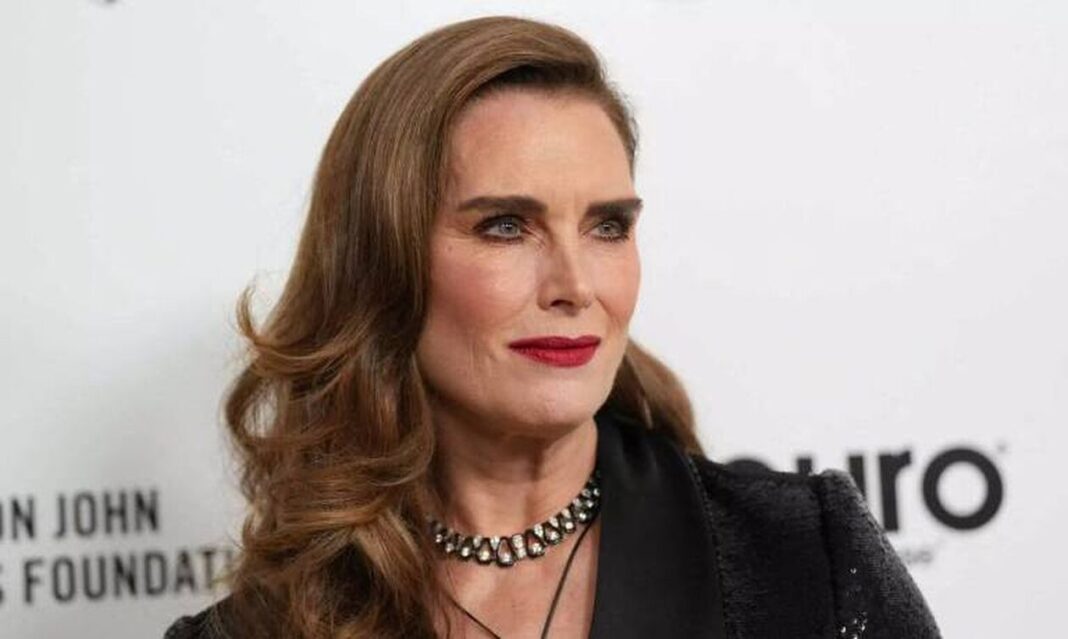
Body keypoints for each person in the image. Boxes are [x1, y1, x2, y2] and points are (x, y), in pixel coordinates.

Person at [164, 15, 941, 639]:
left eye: (608, 226)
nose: (575, 286)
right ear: (381, 261)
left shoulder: (804, 555)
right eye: (506, 225)